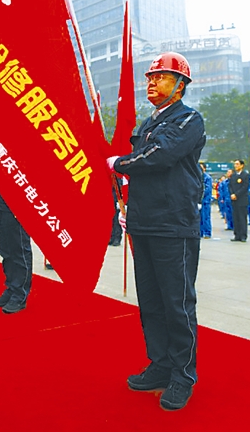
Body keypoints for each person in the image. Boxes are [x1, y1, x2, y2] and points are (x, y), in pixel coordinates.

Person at [107, 51, 206, 411]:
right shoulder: (148, 123)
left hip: (173, 224)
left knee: (177, 303)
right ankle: (161, 364)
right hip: (144, 223)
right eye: (150, 77)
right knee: (150, 302)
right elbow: (143, 169)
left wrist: (119, 162)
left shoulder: (188, 119)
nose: (151, 82)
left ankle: (183, 375)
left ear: (180, 86)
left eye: (161, 77)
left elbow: (159, 156)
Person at [0, 183, 32, 314]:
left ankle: (20, 294)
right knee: (6, 251)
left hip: (15, 205)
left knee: (19, 250)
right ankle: (11, 288)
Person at [229, 159, 250, 242]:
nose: (235, 166)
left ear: (242, 165)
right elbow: (230, 186)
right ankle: (237, 235)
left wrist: (236, 194)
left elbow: (245, 187)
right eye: (235, 164)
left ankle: (243, 235)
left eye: (237, 164)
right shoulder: (233, 175)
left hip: (242, 199)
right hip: (234, 200)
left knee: (242, 218)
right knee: (236, 218)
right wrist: (232, 194)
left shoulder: (245, 175)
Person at [199, 163, 212, 238]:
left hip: (205, 201)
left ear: (204, 169)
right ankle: (200, 232)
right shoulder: (198, 176)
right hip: (199, 201)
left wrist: (200, 195)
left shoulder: (207, 177)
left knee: (206, 217)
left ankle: (207, 233)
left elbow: (207, 189)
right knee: (199, 218)